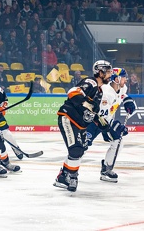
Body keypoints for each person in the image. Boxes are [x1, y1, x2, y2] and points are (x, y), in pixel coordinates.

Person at [53, 60, 113, 192]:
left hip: (79, 124)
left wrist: (101, 123)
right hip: (68, 118)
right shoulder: (91, 82)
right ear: (100, 72)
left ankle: (63, 177)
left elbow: (92, 111)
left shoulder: (99, 91)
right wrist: (88, 105)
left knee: (80, 149)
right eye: (108, 71)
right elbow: (73, 93)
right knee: (76, 149)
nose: (110, 74)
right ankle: (72, 176)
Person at [86, 68, 136, 183]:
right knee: (81, 147)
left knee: (117, 140)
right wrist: (116, 126)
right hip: (93, 121)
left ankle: (106, 169)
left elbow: (123, 94)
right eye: (123, 77)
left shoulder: (122, 87)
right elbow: (101, 116)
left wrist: (127, 100)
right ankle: (67, 172)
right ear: (117, 79)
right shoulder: (106, 92)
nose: (126, 79)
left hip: (106, 121)